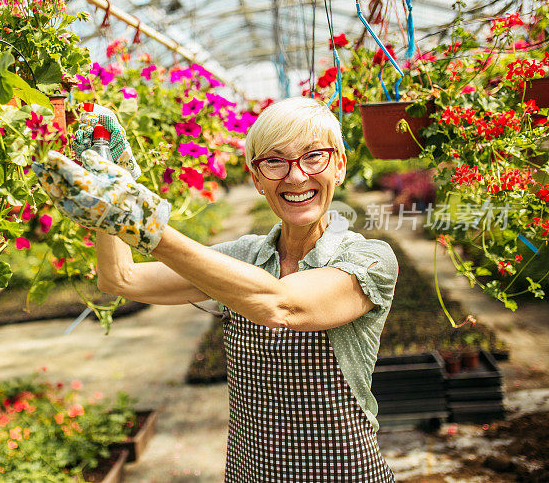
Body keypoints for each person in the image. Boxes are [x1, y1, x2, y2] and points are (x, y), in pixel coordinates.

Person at [32, 97, 398, 482]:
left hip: (343, 473)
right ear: (256, 178)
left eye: (313, 157)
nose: (295, 176)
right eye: (274, 161)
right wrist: (113, 182)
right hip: (250, 473)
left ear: (339, 165)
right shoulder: (244, 255)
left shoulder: (369, 258)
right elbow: (120, 279)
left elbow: (283, 305)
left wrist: (143, 225)